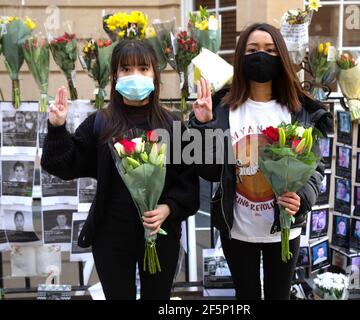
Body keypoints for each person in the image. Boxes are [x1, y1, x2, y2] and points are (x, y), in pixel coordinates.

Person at [41, 40, 200, 300]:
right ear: (114, 76)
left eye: (142, 68)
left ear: (154, 75)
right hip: (111, 235)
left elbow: (189, 183)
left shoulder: (172, 124)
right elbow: (63, 165)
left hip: (161, 234)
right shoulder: (100, 122)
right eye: (125, 69)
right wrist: (57, 127)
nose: (134, 75)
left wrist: (168, 208)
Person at [189, 23, 332, 300]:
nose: (261, 57)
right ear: (241, 56)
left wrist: (302, 197)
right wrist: (204, 124)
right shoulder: (223, 107)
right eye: (252, 50)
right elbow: (208, 170)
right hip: (238, 229)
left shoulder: (300, 110)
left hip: (283, 229)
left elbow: (315, 167)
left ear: (281, 56)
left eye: (269, 50)